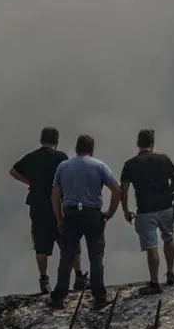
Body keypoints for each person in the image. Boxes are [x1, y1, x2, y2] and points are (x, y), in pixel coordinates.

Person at [48, 135, 121, 310]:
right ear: (92, 149)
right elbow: (116, 190)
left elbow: (55, 195)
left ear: (76, 148)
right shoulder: (99, 166)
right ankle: (99, 296)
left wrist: (59, 218)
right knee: (96, 256)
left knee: (67, 255)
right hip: (92, 214)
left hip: (71, 214)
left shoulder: (63, 167)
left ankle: (59, 296)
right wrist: (109, 213)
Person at [9, 127, 86, 294]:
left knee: (41, 245)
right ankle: (79, 277)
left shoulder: (31, 157)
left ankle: (44, 280)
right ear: (56, 142)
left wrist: (30, 181)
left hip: (37, 205)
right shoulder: (61, 157)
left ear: (41, 140)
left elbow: (13, 171)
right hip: (59, 204)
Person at [120, 129, 174, 294]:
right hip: (166, 206)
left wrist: (126, 210)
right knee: (169, 238)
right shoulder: (164, 159)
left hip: (145, 210)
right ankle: (170, 272)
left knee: (152, 246)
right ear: (152, 143)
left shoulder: (130, 164)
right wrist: (168, 192)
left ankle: (154, 282)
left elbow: (123, 191)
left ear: (138, 143)